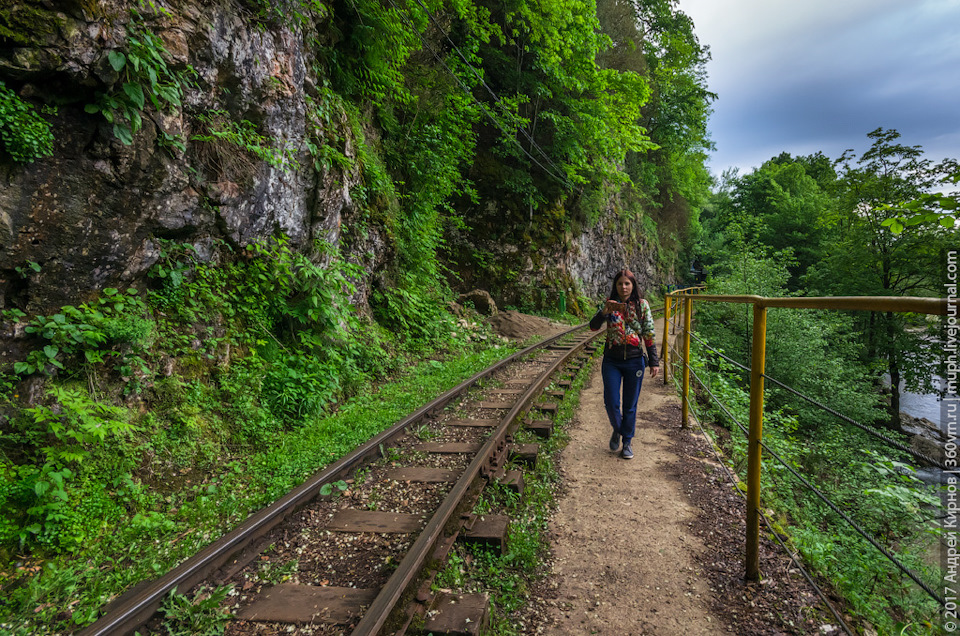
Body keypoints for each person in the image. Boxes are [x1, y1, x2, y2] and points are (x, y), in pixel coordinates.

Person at [589, 269, 659, 460]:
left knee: (630, 405)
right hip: (612, 360)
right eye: (620, 284)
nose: (624, 287)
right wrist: (604, 312)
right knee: (611, 402)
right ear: (616, 286)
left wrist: (654, 361)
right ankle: (618, 429)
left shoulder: (642, 305)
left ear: (633, 285)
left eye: (627, 283)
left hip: (635, 361)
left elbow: (649, 333)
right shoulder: (609, 304)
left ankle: (627, 442)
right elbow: (593, 326)